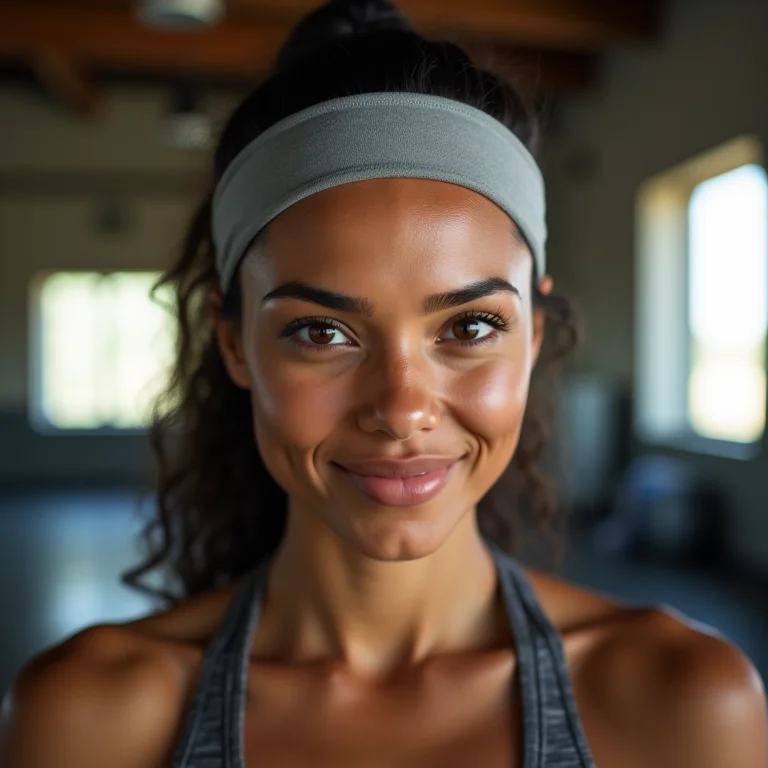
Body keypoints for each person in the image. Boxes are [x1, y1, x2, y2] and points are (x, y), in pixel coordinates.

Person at [2, 0, 766, 765]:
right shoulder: (93, 718)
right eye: (321, 332)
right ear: (234, 343)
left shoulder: (684, 705)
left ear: (533, 336)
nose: (402, 409)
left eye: (469, 327)